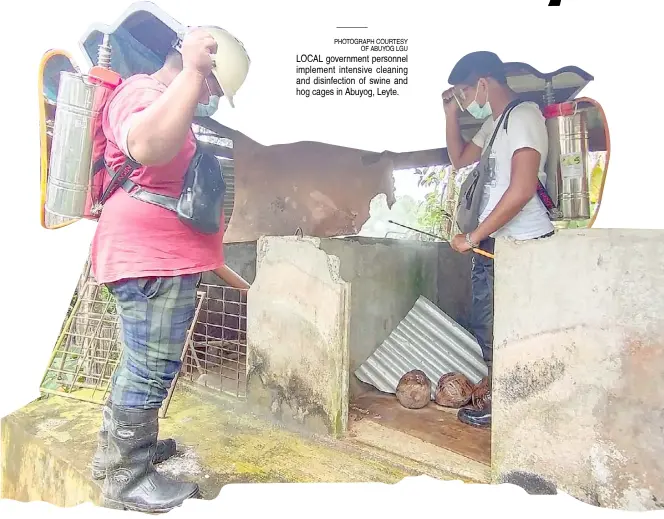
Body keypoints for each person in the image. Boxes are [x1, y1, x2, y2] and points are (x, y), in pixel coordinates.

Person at [88, 26, 249, 512]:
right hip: (148, 259)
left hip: (162, 259)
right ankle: (124, 475)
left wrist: (232, 277)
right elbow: (144, 145)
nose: (211, 98)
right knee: (150, 369)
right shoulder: (143, 92)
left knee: (148, 365)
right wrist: (196, 72)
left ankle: (132, 448)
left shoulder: (166, 99)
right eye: (215, 89)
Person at [441, 51, 554, 429]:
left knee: (510, 327)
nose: (463, 100)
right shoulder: (495, 123)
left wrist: (473, 234)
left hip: (521, 243)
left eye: (464, 92)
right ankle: (504, 398)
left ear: (485, 84)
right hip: (493, 245)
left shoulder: (523, 116)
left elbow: (521, 190)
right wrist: (450, 115)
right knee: (488, 325)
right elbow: (459, 160)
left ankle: (511, 407)